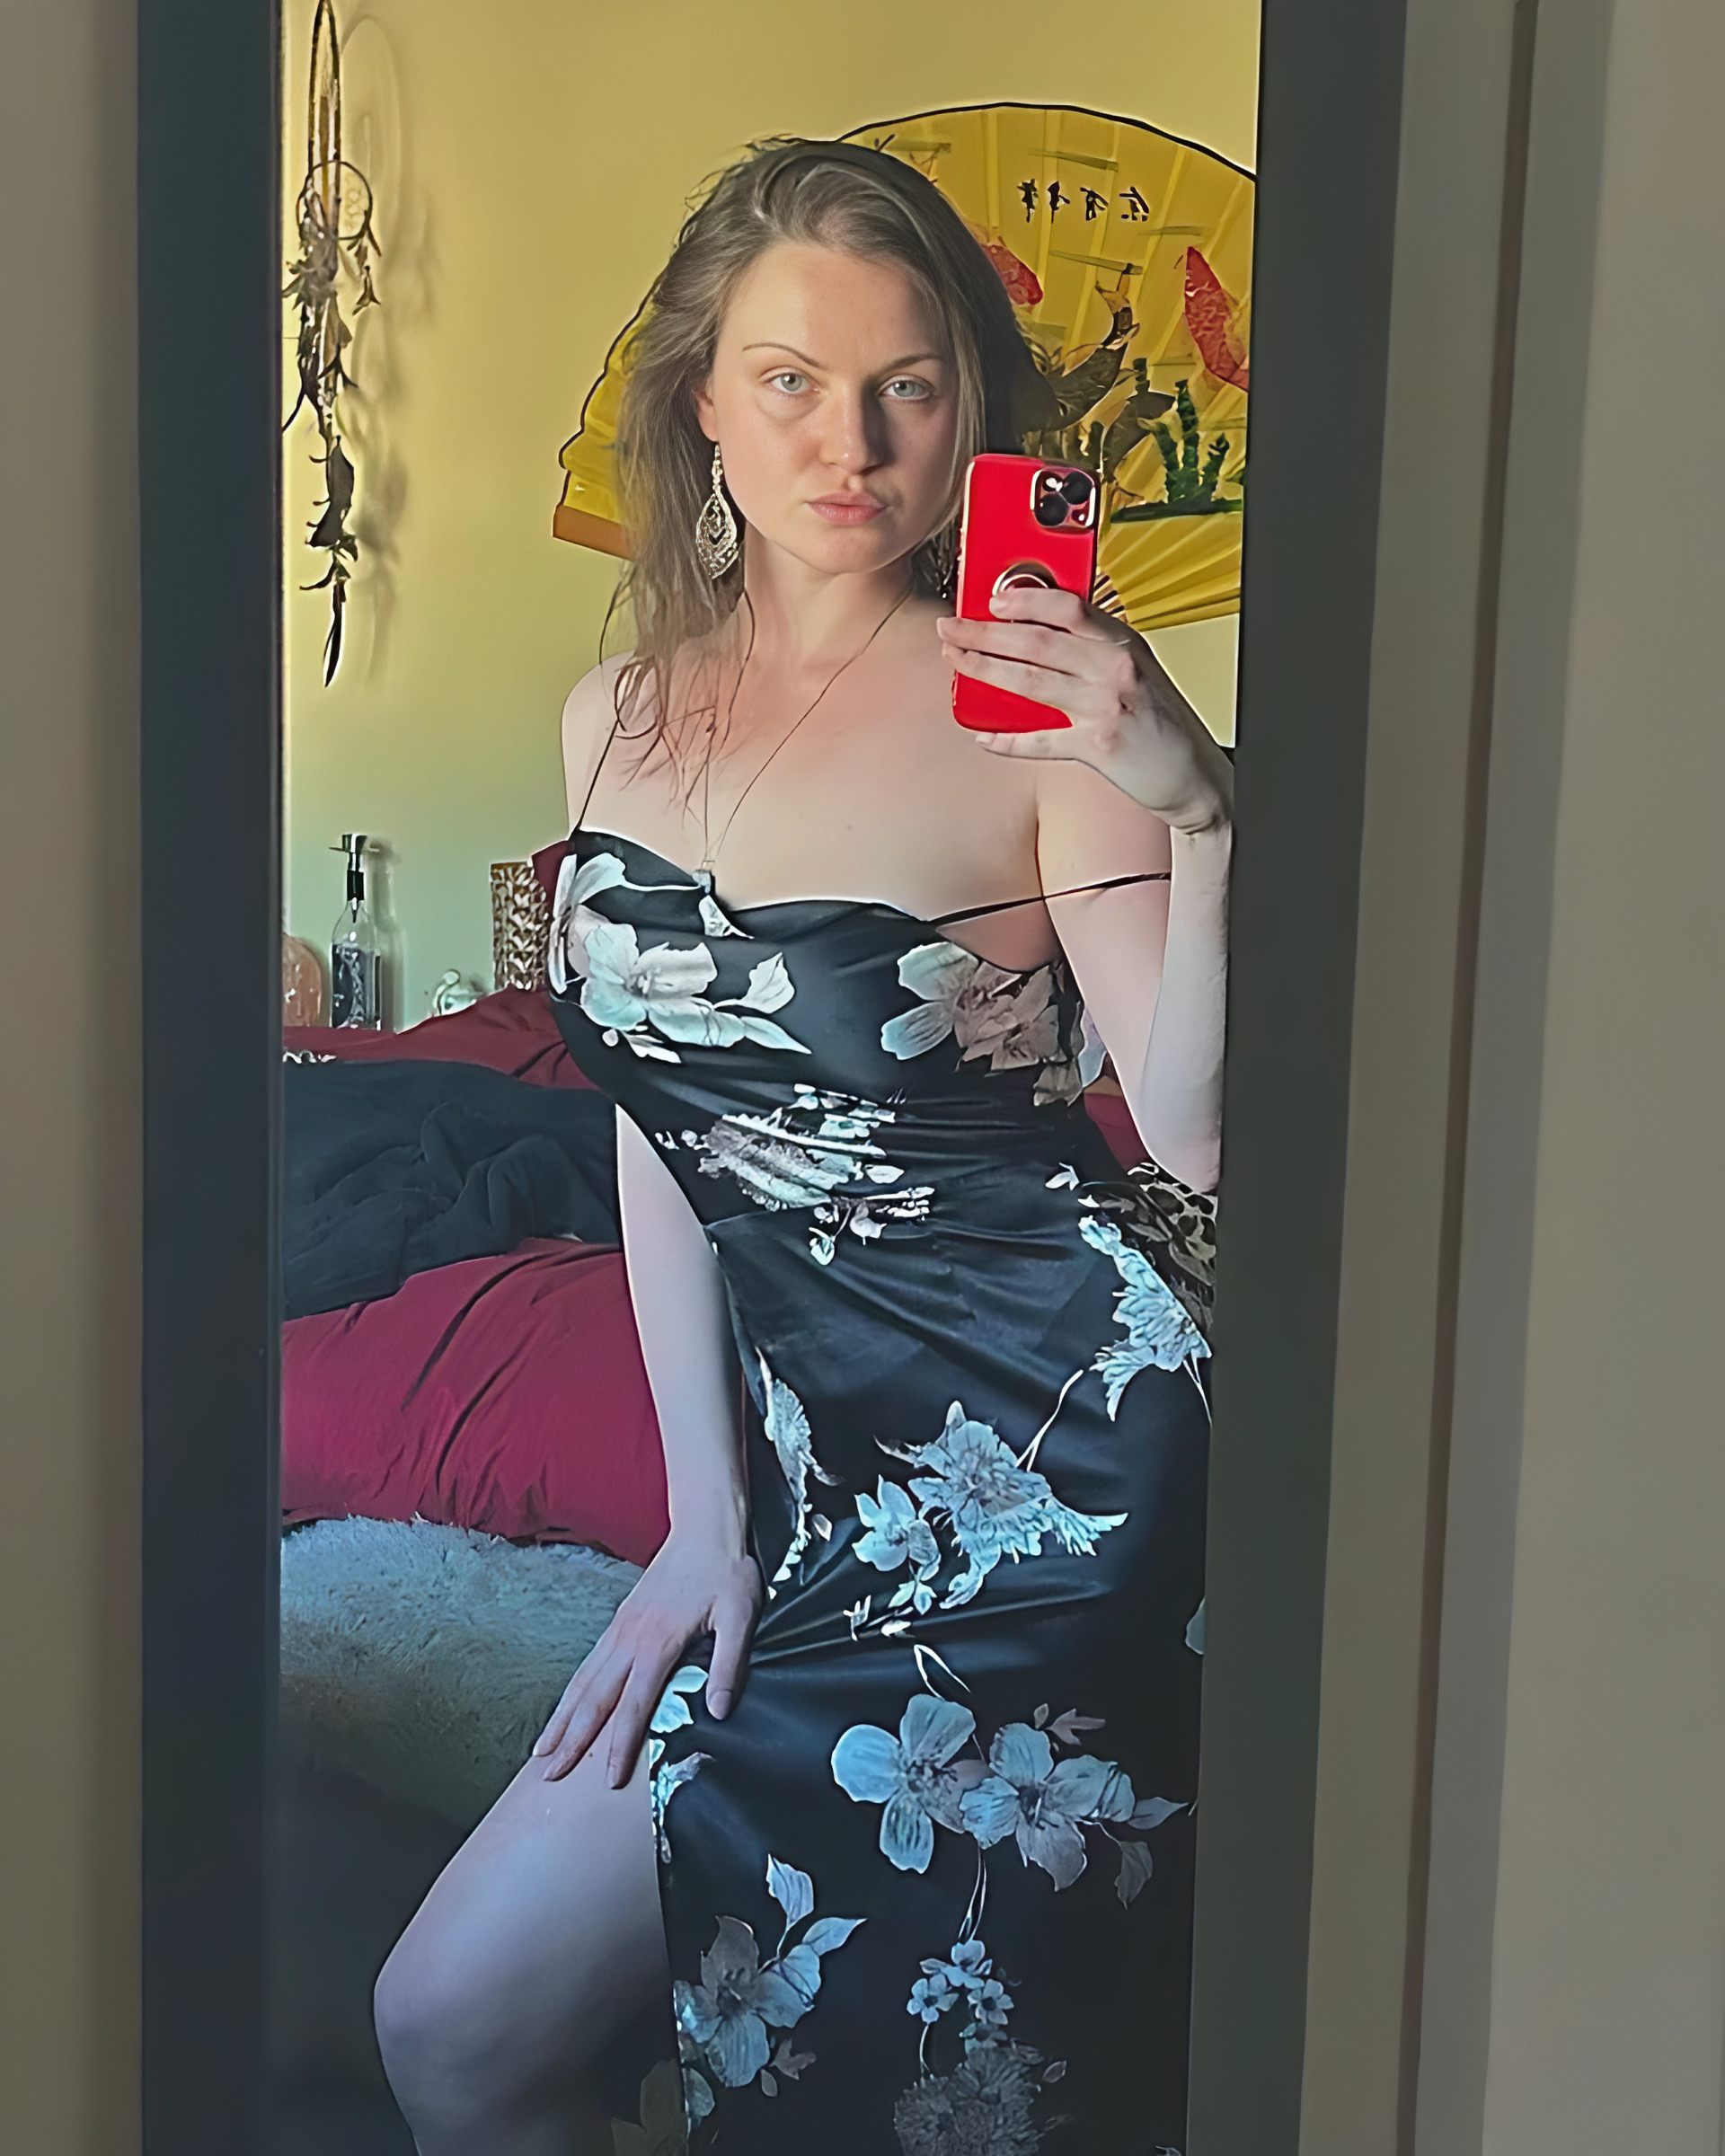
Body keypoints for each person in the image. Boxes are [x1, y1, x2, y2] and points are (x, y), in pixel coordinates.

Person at [374, 137, 1233, 2155]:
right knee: (452, 2027)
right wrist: (702, 1518)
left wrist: (1203, 808)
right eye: (790, 381)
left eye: (906, 386)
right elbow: (667, 1133)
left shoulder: (1043, 716)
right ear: (702, 401)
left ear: (967, 406)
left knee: (925, 2083)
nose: (850, 444)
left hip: (1060, 1469)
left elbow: (1196, 1133)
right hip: (799, 1461)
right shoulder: (612, 716)